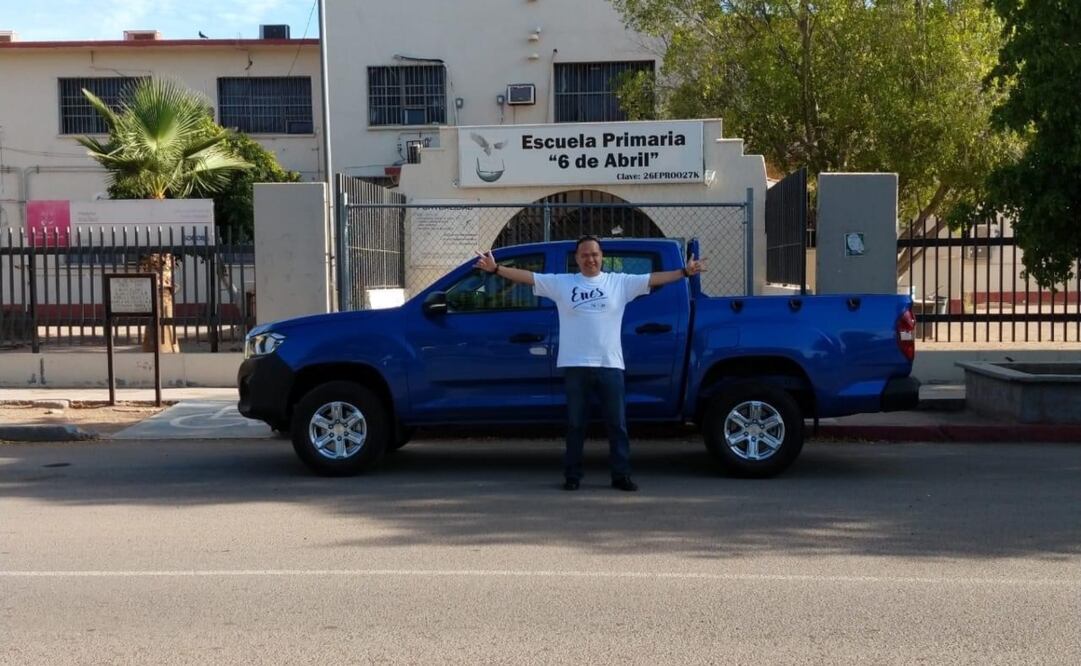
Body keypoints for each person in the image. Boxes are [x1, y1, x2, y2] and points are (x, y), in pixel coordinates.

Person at [474, 235, 705, 492]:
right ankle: (572, 475)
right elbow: (528, 277)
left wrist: (685, 272)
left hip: (610, 365)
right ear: (577, 259)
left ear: (601, 256)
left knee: (617, 425)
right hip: (575, 365)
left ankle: (621, 475)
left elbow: (654, 278)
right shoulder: (563, 283)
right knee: (575, 425)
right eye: (584, 255)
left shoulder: (620, 283)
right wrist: (495, 269)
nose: (590, 259)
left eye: (594, 254)